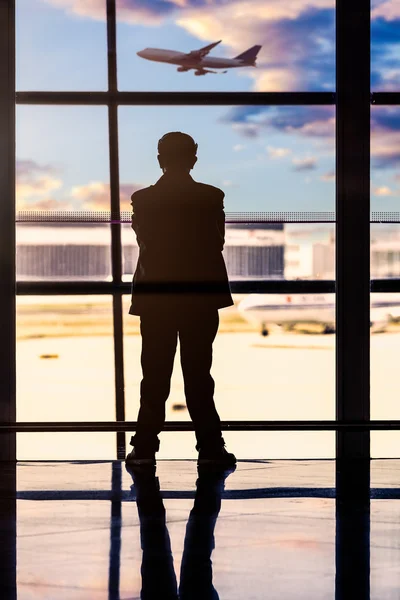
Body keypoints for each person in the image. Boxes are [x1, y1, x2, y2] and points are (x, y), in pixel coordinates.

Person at [126, 131, 236, 467]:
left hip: (158, 296)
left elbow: (147, 243)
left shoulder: (143, 199)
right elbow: (215, 243)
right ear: (193, 159)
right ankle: (210, 446)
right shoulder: (210, 196)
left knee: (155, 374)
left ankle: (145, 446)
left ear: (160, 159)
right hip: (199, 297)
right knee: (199, 375)